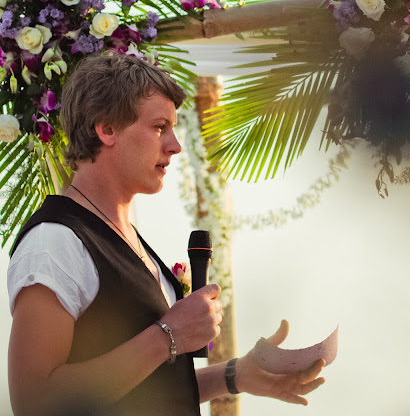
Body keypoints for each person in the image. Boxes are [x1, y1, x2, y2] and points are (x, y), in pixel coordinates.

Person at [6, 52, 325, 416]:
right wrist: (167, 335)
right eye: (160, 127)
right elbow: (34, 402)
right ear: (107, 129)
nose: (175, 145)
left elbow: (145, 389)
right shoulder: (55, 241)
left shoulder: (124, 233)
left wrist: (235, 375)